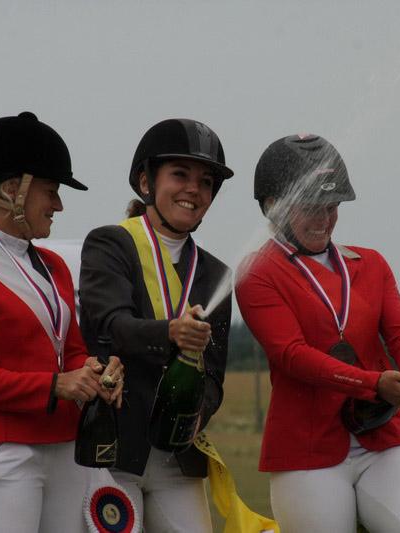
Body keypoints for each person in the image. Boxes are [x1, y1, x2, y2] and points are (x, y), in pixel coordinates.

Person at [235, 134, 400, 533]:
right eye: (312, 207)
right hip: (307, 451)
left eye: (333, 206)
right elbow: (292, 355)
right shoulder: (256, 273)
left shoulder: (370, 264)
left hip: (380, 435)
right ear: (273, 206)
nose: (325, 218)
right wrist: (374, 384)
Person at [0, 112, 124, 533]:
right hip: (1, 455)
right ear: (12, 190)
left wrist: (94, 371)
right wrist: (55, 385)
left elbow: (71, 349)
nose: (58, 205)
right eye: (50, 192)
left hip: (65, 449)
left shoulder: (54, 266)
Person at [79, 118, 233, 532]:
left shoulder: (217, 275)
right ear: (146, 182)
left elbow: (214, 374)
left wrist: (196, 413)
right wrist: (170, 333)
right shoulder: (110, 244)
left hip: (177, 457)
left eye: (205, 182)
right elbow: (111, 325)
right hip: (114, 447)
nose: (193, 190)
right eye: (180, 175)